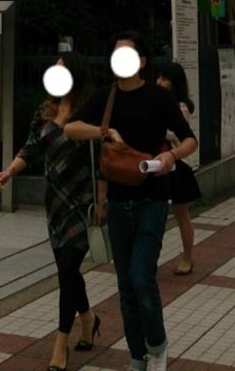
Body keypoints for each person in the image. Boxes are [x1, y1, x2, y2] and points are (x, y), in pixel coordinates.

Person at [65, 31, 197, 371]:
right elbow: (70, 128)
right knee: (125, 286)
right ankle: (137, 356)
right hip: (118, 202)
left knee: (141, 277)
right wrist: (104, 131)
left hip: (153, 198)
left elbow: (189, 140)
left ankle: (157, 346)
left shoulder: (159, 97)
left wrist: (171, 157)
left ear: (141, 61)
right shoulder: (105, 98)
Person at [0, 51, 102, 371]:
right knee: (68, 273)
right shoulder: (45, 111)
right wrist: (9, 171)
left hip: (81, 204)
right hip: (55, 205)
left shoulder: (88, 113)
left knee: (67, 270)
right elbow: (31, 148)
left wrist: (102, 202)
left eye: (61, 69)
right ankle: (89, 319)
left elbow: (101, 160)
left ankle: (60, 343)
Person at [156, 60, 200, 277]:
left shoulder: (181, 106)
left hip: (177, 165)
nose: (159, 82)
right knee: (155, 214)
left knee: (181, 214)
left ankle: (188, 258)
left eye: (164, 79)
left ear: (175, 83)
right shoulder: (157, 102)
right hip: (158, 164)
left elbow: (174, 132)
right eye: (158, 77)